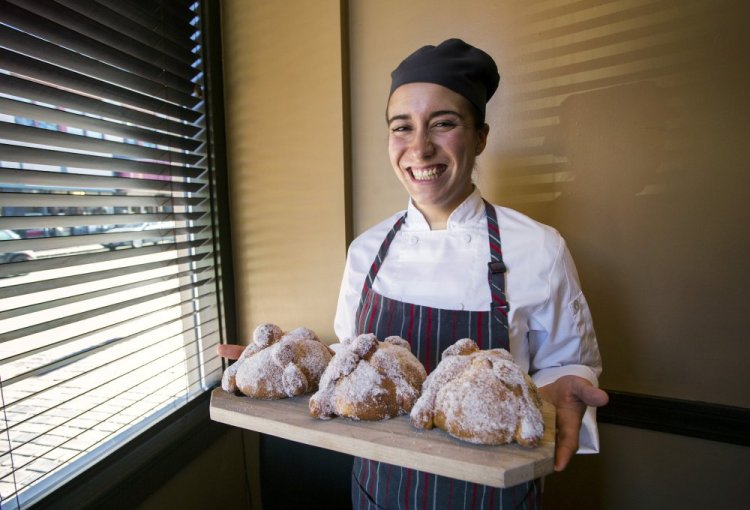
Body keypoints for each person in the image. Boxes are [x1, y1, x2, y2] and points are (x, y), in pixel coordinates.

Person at [219, 38, 608, 509]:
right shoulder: (366, 250)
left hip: (489, 497)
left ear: (481, 136)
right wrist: (288, 363)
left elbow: (567, 359)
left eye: (443, 124)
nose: (419, 148)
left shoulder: (539, 248)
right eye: (402, 128)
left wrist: (565, 388)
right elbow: (350, 354)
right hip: (379, 490)